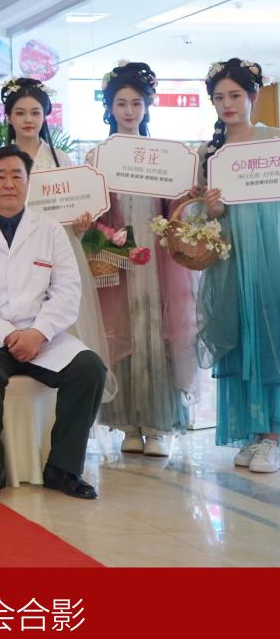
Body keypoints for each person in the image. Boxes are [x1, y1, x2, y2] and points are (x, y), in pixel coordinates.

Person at [0, 146, 108, 499]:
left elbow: (68, 290)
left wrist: (38, 332)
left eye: (16, 176)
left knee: (90, 369)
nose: (9, 184)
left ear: (27, 182)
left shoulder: (51, 231)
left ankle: (63, 469)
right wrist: (9, 334)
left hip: (42, 335)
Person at [87, 62, 198, 457]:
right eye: (121, 103)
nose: (129, 110)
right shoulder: (97, 157)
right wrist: (114, 239)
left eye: (136, 103)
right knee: (123, 331)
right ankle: (127, 424)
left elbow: (177, 212)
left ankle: (159, 426)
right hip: (118, 260)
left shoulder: (163, 155)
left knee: (157, 329)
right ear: (109, 107)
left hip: (158, 261)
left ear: (147, 106)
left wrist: (188, 197)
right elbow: (92, 215)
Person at [196, 58, 280, 473]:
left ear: (253, 96)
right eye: (219, 97)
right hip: (230, 259)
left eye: (235, 95)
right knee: (238, 337)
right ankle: (252, 431)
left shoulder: (272, 141)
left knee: (269, 335)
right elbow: (201, 218)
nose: (227, 104)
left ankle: (273, 437)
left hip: (270, 252)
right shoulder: (210, 152)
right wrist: (211, 210)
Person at [2, 77, 110, 376]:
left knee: (60, 319)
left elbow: (72, 208)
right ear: (9, 117)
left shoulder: (60, 158)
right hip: (13, 248)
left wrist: (80, 225)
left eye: (35, 112)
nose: (28, 119)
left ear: (45, 115)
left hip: (57, 247)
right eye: (20, 112)